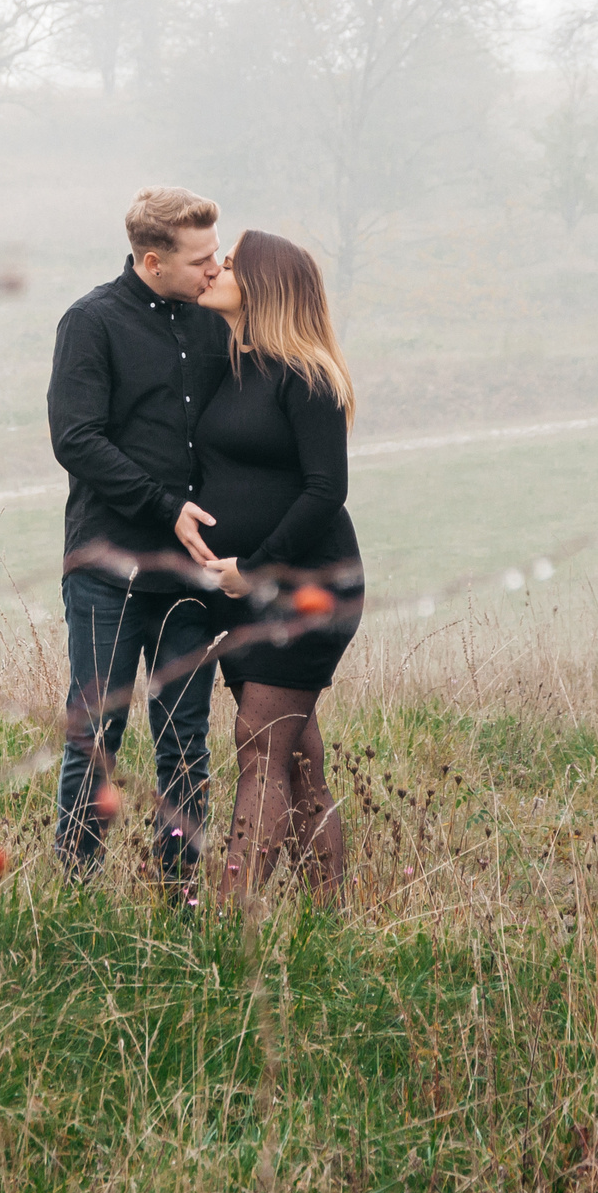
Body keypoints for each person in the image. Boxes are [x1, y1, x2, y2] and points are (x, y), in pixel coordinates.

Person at [46, 186, 231, 889]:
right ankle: (77, 890)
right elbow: (76, 438)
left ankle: (179, 892)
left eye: (217, 253)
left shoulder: (217, 321)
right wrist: (165, 507)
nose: (216, 268)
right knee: (96, 738)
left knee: (185, 744)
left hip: (191, 577)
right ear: (153, 262)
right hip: (107, 574)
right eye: (201, 259)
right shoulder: (90, 323)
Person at [175, 229, 363, 901]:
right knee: (297, 759)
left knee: (258, 746)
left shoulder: (307, 375)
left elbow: (325, 491)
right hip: (243, 592)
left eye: (227, 264)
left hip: (305, 588)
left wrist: (256, 566)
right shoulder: (233, 365)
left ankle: (232, 921)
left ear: (263, 284)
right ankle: (330, 916)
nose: (213, 271)